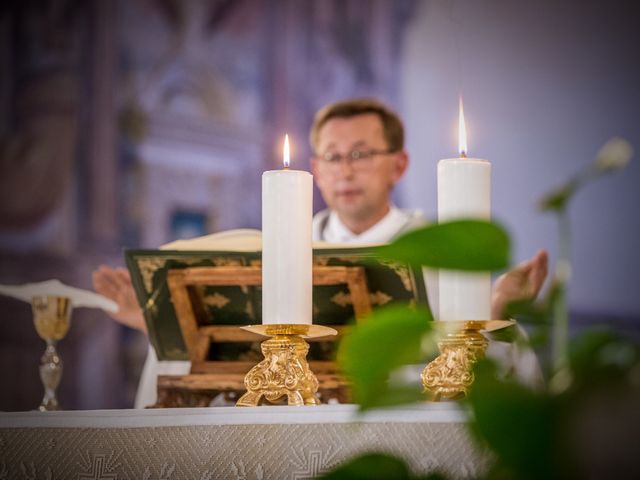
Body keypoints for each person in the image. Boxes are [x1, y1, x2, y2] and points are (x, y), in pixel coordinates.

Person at [94, 97, 548, 406]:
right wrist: (163, 322)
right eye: (332, 157)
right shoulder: (280, 251)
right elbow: (218, 354)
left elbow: (474, 362)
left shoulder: (438, 251)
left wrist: (496, 309)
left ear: (400, 164)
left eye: (361, 153)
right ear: (314, 170)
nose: (345, 171)